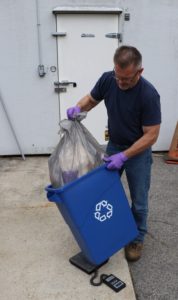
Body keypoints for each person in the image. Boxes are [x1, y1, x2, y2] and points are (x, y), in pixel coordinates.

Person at [66, 45, 161, 262]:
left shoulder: (148, 95)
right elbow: (91, 99)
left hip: (138, 152)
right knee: (102, 191)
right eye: (118, 76)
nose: (120, 82)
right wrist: (77, 108)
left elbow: (152, 135)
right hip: (114, 146)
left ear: (140, 72)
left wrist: (125, 156)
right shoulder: (108, 79)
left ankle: (137, 237)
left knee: (139, 199)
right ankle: (102, 227)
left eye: (126, 79)